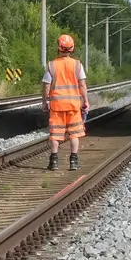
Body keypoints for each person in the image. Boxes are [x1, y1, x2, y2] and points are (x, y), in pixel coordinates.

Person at [44, 33, 88, 171]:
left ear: (59, 48)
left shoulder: (51, 65)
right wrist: (86, 101)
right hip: (73, 106)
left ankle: (54, 162)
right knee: (74, 134)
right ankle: (73, 162)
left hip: (56, 106)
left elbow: (46, 85)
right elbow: (82, 85)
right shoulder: (77, 65)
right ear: (72, 48)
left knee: (55, 135)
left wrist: (45, 101)